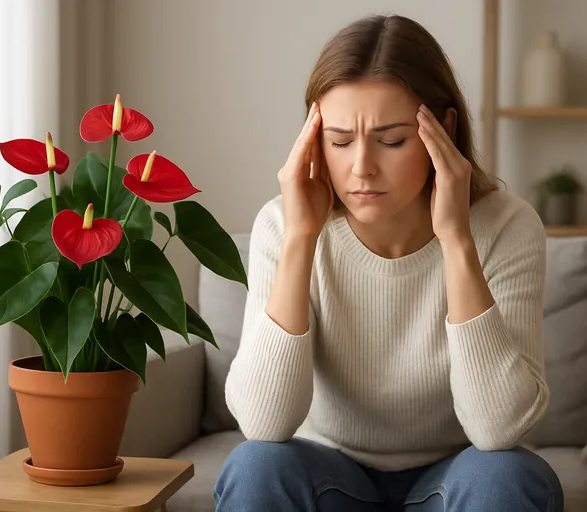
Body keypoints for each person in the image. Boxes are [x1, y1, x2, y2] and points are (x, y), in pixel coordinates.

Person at [214, 14, 564, 512]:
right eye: (338, 141)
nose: (361, 168)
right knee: (254, 466)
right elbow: (263, 425)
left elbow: (499, 429)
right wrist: (301, 239)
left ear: (443, 129)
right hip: (329, 475)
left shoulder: (507, 226)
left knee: (505, 476)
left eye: (392, 140)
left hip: (457, 478)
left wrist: (457, 240)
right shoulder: (282, 225)